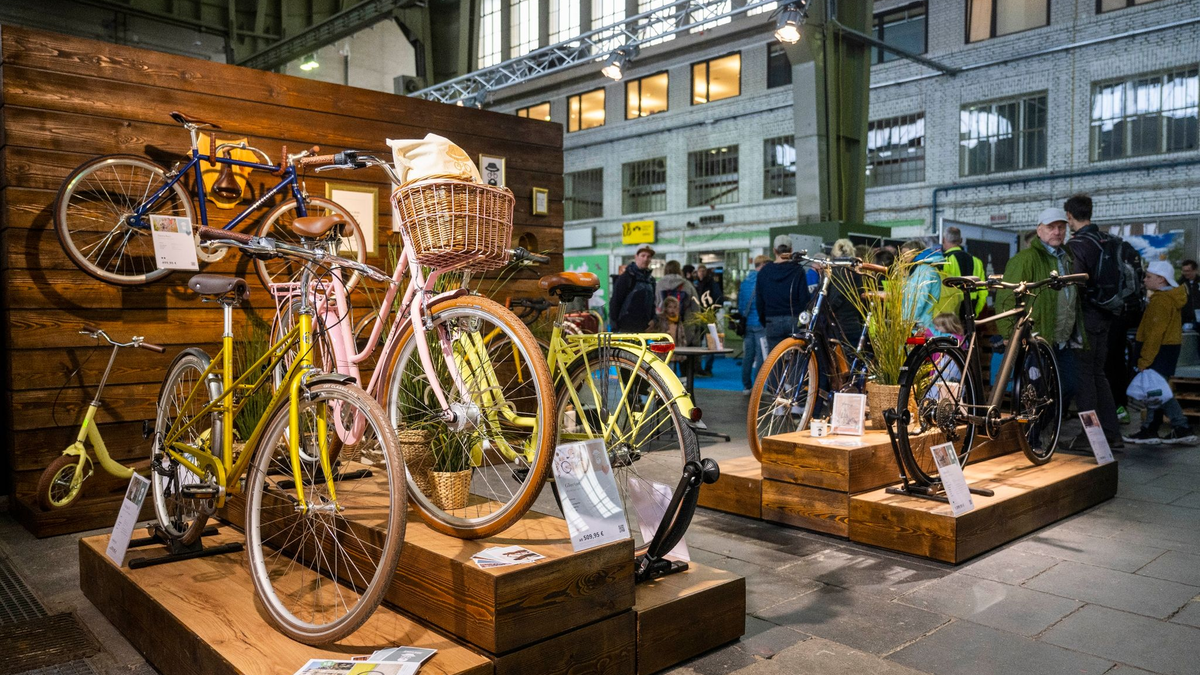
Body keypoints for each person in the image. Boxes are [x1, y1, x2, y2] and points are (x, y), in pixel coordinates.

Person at [995, 208, 1084, 418]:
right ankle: (1033, 439)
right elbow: (1006, 298)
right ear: (1039, 230)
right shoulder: (1025, 259)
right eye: (1051, 227)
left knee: (1068, 386)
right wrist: (1009, 334)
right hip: (1037, 337)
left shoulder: (1066, 258)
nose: (1057, 232)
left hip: (1062, 340)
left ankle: (1044, 431)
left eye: (1061, 227)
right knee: (1035, 392)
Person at [1064, 194, 1124, 449]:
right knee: (1099, 373)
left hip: (1086, 316)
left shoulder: (1078, 244)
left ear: (1069, 217)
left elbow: (1074, 284)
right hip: (1107, 313)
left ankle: (1091, 437)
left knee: (1084, 377)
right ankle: (1111, 433)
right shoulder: (1108, 240)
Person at [1123, 261, 1197, 445]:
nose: (1145, 279)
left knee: (1158, 391)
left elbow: (1154, 334)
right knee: (1156, 390)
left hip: (1157, 351)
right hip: (1168, 349)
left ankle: (1180, 427)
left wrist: (1144, 360)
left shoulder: (1161, 301)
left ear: (1161, 279)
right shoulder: (1170, 298)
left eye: (1149, 276)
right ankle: (1153, 428)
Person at [756, 235, 811, 352]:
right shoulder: (798, 270)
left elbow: (759, 301)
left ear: (774, 250)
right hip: (794, 320)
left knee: (775, 362)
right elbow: (804, 299)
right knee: (796, 360)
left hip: (772, 320)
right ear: (791, 250)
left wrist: (765, 320)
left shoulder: (764, 271)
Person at [738, 255, 770, 394]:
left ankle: (746, 386)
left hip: (747, 325)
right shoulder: (764, 280)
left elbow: (740, 306)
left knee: (748, 357)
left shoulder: (745, 281)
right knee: (761, 357)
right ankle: (757, 388)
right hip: (760, 324)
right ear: (762, 265)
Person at [941, 226, 986, 319]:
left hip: (951, 312)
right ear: (961, 240)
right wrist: (975, 312)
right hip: (971, 307)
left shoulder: (945, 261)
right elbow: (983, 291)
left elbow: (943, 291)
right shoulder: (977, 261)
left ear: (943, 240)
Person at [609, 245, 657, 333]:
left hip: (644, 330)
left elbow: (652, 303)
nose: (645, 259)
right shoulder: (626, 278)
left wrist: (654, 319)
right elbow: (615, 302)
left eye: (648, 256)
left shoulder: (651, 281)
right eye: (643, 255)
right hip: (625, 329)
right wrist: (614, 328)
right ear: (636, 257)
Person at [900, 239, 944, 333]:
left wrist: (906, 323)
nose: (902, 258)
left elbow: (916, 299)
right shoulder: (926, 268)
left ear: (915, 253)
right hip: (924, 323)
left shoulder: (923, 270)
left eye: (905, 254)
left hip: (920, 326)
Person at [694, 264, 725, 376]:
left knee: (711, 343)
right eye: (699, 271)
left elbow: (719, 299)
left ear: (706, 272)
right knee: (696, 343)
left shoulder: (712, 283)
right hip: (697, 317)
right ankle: (696, 368)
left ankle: (708, 368)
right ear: (697, 272)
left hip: (709, 317)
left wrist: (712, 312)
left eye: (703, 271)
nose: (701, 273)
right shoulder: (694, 284)